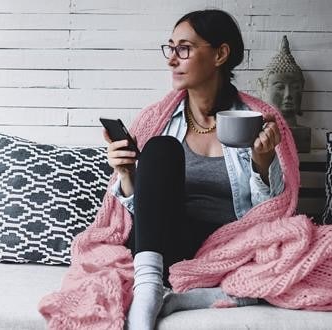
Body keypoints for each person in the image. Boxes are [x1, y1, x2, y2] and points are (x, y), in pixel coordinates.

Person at [102, 9, 285, 329]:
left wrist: (263, 160)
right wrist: (127, 174)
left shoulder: (259, 119)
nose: (172, 59)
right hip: (167, 250)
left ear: (220, 54)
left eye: (183, 49)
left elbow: (274, 216)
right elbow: (141, 216)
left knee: (286, 266)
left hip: (234, 252)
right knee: (160, 148)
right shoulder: (155, 120)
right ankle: (147, 291)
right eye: (170, 48)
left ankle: (184, 298)